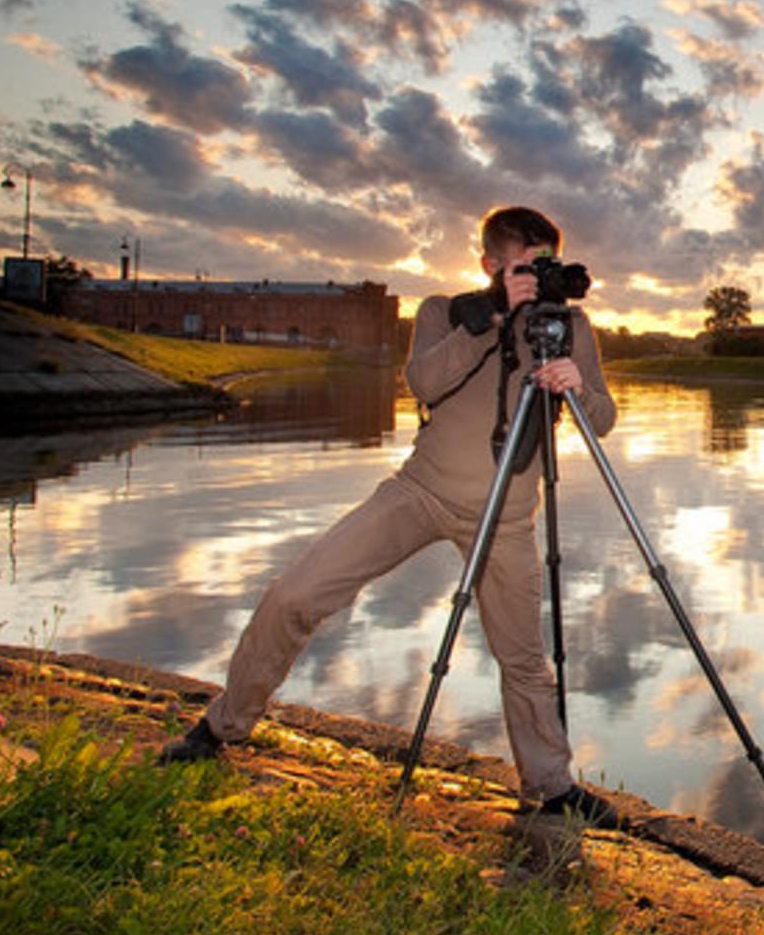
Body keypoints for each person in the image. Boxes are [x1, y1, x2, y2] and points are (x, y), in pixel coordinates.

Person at [161, 206, 620, 827]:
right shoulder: (446, 312)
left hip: (507, 514)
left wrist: (576, 386)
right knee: (295, 594)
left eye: (546, 266)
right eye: (522, 268)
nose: (538, 280)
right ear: (489, 265)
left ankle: (551, 786)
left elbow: (604, 417)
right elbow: (423, 384)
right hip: (420, 492)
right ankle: (219, 728)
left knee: (523, 657)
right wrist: (490, 318)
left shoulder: (572, 326)